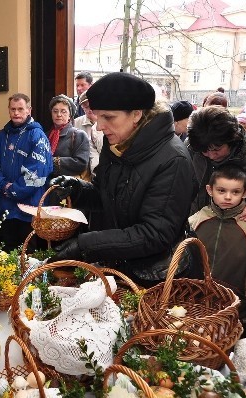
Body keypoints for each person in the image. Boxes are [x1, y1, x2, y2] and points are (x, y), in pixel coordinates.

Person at [49, 72, 197, 287]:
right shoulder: (118, 143)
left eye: (108, 117)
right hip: (121, 267)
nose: (99, 126)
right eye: (97, 116)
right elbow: (105, 195)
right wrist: (79, 190)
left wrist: (85, 245)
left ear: (136, 114)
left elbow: (154, 234)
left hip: (156, 277)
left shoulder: (173, 159)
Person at [188, 165, 246, 337]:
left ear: (245, 193)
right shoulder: (196, 220)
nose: (227, 197)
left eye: (235, 192)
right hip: (196, 307)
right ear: (209, 189)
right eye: (221, 190)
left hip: (236, 311)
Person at [0, 93, 53, 252]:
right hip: (4, 208)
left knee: (27, 257)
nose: (16, 113)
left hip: (28, 209)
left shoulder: (38, 136)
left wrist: (13, 189)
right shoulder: (0, 136)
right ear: (8, 110)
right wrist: (2, 186)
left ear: (29, 110)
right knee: (3, 255)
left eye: (20, 109)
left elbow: (38, 172)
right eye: (13, 109)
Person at [187, 105, 246, 219]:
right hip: (198, 222)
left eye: (216, 149)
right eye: (204, 151)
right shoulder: (193, 144)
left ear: (233, 139)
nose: (211, 156)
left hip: (243, 226)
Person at [47, 94, 89, 180]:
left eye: (63, 111)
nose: (59, 115)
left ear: (70, 115)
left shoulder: (78, 135)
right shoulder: (46, 135)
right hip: (46, 184)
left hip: (68, 187)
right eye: (55, 111)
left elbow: (81, 163)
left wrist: (51, 161)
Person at [74, 91, 104, 178]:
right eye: (86, 107)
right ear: (83, 108)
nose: (90, 109)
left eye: (92, 105)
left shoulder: (108, 122)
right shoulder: (76, 123)